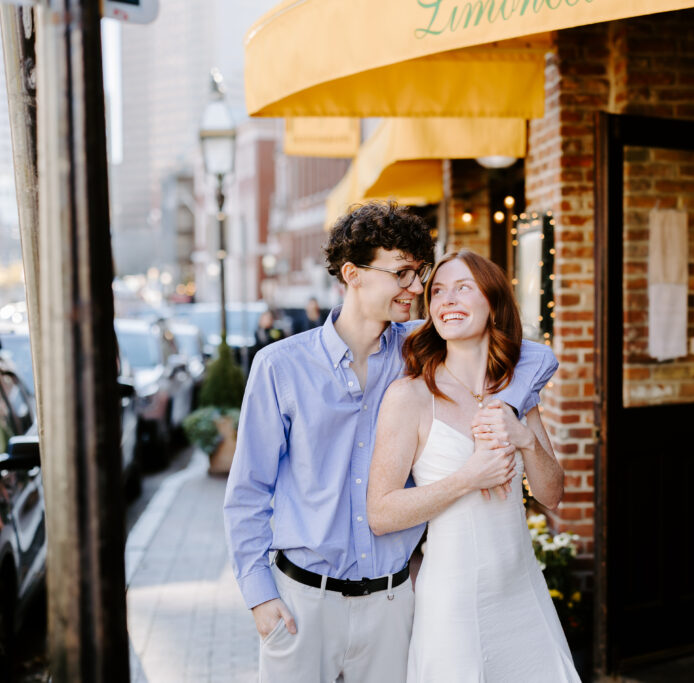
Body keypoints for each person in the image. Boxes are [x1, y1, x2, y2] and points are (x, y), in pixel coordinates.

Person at [223, 202, 558, 683]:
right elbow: (248, 492)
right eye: (402, 272)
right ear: (352, 274)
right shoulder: (280, 366)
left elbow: (532, 354)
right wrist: (260, 596)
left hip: (392, 602)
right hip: (301, 601)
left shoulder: (420, 350)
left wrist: (507, 411)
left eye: (420, 272)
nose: (417, 287)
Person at [367, 250, 578, 682]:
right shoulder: (410, 396)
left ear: (492, 302)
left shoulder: (515, 389)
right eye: (438, 291)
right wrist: (469, 477)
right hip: (453, 603)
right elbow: (380, 513)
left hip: (522, 591)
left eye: (464, 287)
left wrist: (525, 440)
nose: (447, 300)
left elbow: (552, 493)